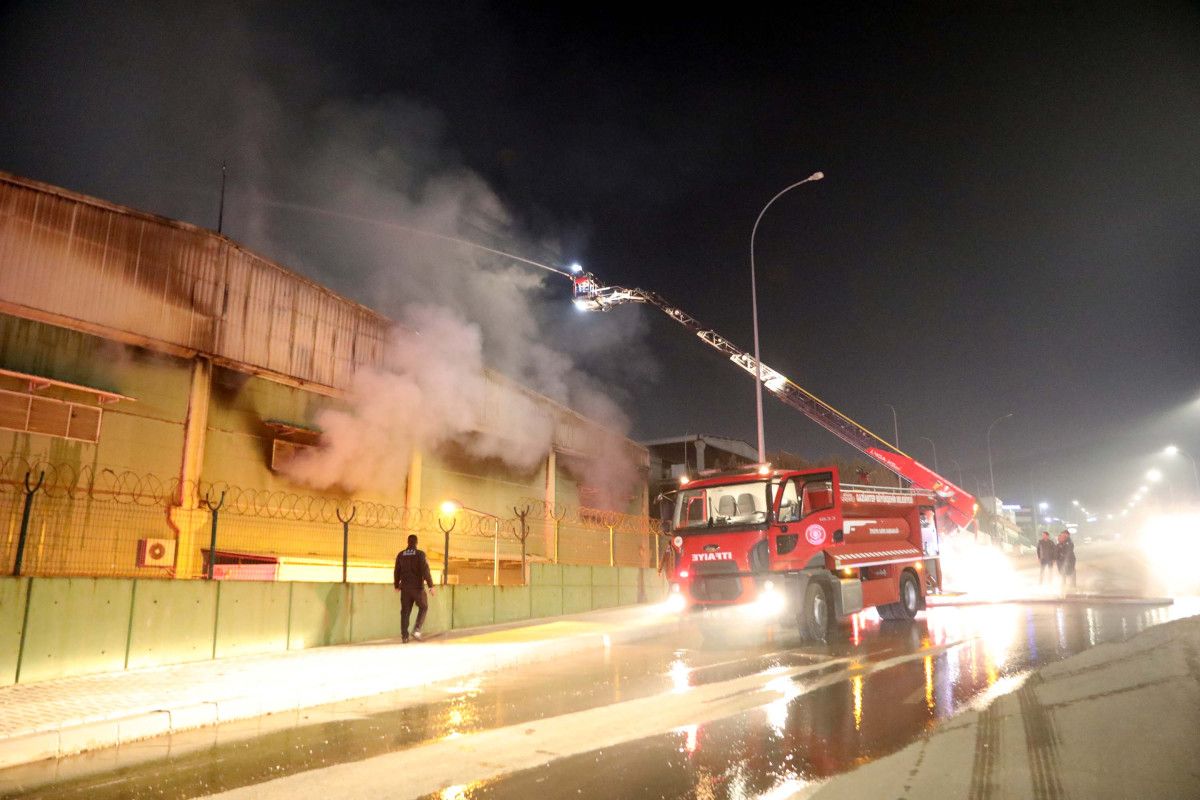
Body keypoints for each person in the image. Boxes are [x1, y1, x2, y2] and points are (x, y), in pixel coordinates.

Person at [394, 534, 435, 642]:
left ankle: (404, 636)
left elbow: (396, 571)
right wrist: (431, 586)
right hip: (417, 588)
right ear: (416, 543)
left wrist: (396, 585)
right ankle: (416, 630)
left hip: (405, 588)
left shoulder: (401, 555)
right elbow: (425, 571)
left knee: (405, 611)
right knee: (424, 607)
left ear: (408, 542)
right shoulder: (420, 554)